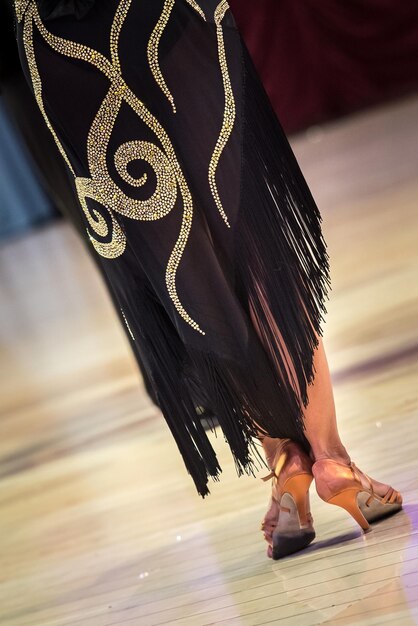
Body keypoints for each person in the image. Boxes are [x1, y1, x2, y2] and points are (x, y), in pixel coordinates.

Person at [12, 0, 403, 560]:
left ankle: (285, 459)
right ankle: (329, 455)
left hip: (55, 45)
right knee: (250, 238)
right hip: (163, 19)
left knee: (186, 273)